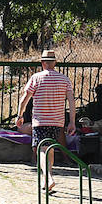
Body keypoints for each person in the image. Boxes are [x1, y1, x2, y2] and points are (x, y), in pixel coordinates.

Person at [17, 49, 74, 193]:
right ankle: (45, 180)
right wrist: (72, 122)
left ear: (42, 63)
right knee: (50, 149)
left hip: (40, 121)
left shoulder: (36, 78)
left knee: (42, 149)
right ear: (54, 63)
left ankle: (48, 177)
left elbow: (25, 98)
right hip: (57, 121)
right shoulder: (65, 79)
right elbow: (72, 102)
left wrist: (20, 115)